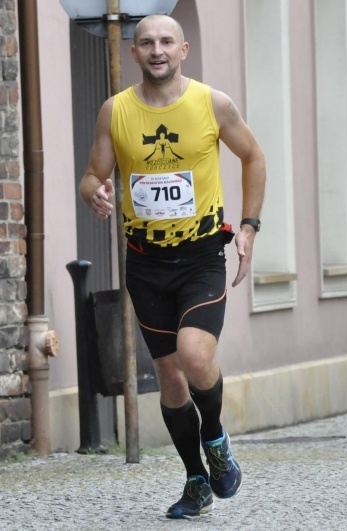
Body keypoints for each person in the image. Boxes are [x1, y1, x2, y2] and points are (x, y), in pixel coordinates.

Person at [78, 15, 266, 519]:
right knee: (171, 379)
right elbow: (94, 174)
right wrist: (94, 191)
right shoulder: (114, 111)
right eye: (147, 43)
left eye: (166, 42)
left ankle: (216, 437)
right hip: (145, 260)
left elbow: (253, 157)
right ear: (133, 53)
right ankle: (195, 482)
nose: (157, 50)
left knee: (195, 356)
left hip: (202, 254)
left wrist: (248, 226)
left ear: (183, 49)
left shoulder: (211, 103)